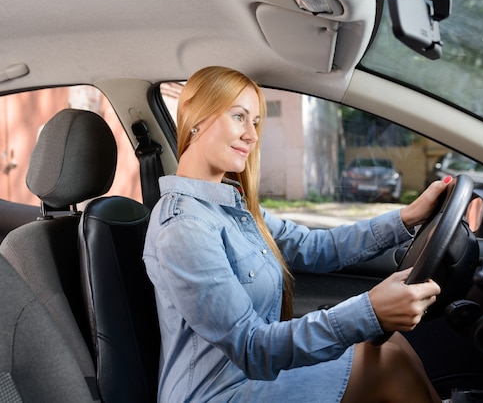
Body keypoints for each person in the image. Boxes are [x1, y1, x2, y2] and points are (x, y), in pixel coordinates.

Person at [143, 66, 450, 402]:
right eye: (239, 117)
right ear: (194, 117)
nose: (252, 135)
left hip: (250, 378)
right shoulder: (184, 227)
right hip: (219, 392)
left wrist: (407, 217)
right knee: (389, 365)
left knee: (394, 344)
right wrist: (369, 311)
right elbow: (250, 346)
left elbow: (315, 246)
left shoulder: (235, 208)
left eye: (256, 122)